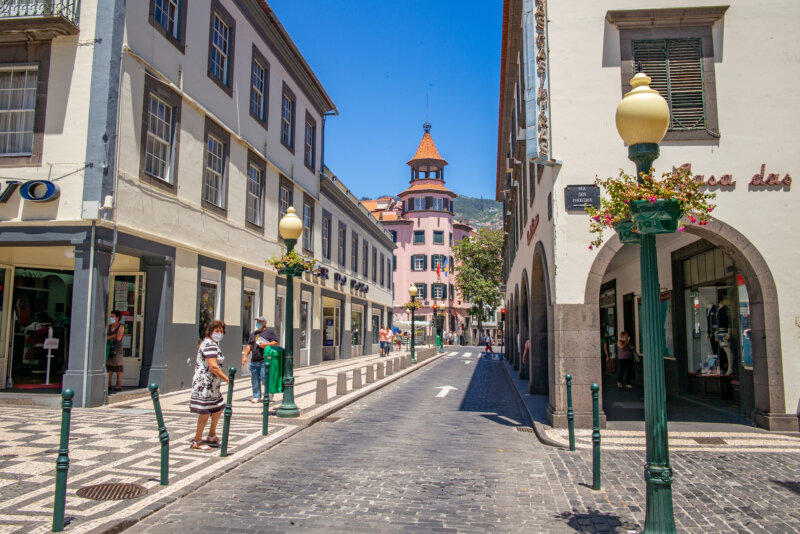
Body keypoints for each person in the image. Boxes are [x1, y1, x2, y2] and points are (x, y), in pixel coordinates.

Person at [190, 320, 230, 450]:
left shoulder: (210, 343)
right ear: (210, 331)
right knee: (205, 411)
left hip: (212, 384)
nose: (219, 333)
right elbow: (213, 366)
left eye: (221, 331)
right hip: (205, 384)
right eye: (217, 331)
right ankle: (197, 440)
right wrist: (228, 379)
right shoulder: (210, 345)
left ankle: (211, 435)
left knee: (219, 407)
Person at [241, 316, 279, 404]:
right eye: (257, 321)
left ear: (264, 323)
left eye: (259, 321)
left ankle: (268, 393)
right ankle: (256, 396)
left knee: (264, 377)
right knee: (254, 379)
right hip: (254, 360)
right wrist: (244, 356)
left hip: (264, 360)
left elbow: (276, 343)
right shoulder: (253, 334)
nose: (258, 323)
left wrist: (266, 344)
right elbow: (249, 346)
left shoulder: (270, 332)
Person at [106, 310, 124, 391]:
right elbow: (105, 337)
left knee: (118, 367)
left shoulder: (121, 326)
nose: (111, 318)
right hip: (109, 349)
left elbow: (119, 337)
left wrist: (111, 336)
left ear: (117, 318)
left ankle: (118, 384)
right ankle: (108, 384)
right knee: (109, 367)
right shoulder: (109, 327)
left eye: (113, 317)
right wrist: (113, 336)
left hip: (117, 349)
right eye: (111, 316)